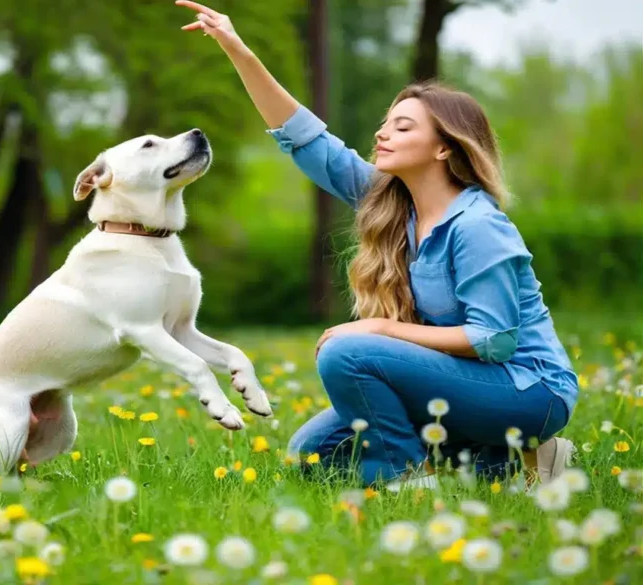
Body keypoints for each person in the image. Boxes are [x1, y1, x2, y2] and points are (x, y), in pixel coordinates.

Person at [174, 0, 578, 488]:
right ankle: (511, 461)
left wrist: (381, 328)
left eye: (402, 127)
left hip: (528, 391)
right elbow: (305, 140)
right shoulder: (390, 201)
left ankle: (402, 480)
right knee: (314, 455)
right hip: (465, 382)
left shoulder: (476, 225)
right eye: (386, 124)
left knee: (349, 353)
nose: (382, 134)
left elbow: (493, 340)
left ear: (444, 146)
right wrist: (237, 50)